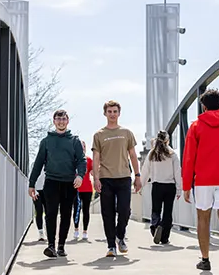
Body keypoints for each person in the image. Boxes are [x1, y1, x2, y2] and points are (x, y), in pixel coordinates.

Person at [182, 89, 219, 275]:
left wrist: (186, 185)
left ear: (204, 106)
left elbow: (189, 157)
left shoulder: (196, 126)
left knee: (203, 218)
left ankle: (205, 260)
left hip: (204, 180)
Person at [29, 109, 87, 258]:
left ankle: (61, 246)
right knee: (51, 214)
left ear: (67, 121)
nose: (61, 121)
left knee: (66, 215)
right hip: (51, 182)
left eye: (63, 119)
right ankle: (51, 246)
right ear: (54, 121)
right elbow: (38, 163)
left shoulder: (74, 141)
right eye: (58, 119)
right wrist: (32, 184)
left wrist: (80, 176)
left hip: (69, 183)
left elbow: (82, 160)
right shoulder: (46, 141)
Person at [92, 100, 142, 257]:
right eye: (109, 111)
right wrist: (96, 178)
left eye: (115, 111)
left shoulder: (126, 132)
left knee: (124, 210)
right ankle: (111, 245)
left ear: (119, 113)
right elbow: (96, 158)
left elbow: (133, 155)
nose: (112, 114)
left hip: (124, 177)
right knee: (107, 213)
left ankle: (120, 236)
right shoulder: (99, 134)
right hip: (106, 178)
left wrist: (138, 176)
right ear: (105, 113)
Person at [140, 130, 182, 244]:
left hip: (157, 185)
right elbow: (178, 172)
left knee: (156, 210)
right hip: (170, 187)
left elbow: (145, 170)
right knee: (168, 212)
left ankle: (155, 227)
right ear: (167, 140)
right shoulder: (172, 154)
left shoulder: (152, 153)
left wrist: (141, 185)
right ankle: (164, 237)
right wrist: (179, 189)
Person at [73, 141, 93, 240]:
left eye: (84, 146)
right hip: (76, 188)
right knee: (76, 209)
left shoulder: (89, 160)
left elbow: (93, 172)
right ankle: (76, 229)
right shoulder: (73, 160)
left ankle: (85, 231)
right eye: (81, 146)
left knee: (86, 210)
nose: (83, 148)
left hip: (87, 189)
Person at [33, 167, 46, 241]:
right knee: (39, 211)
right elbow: (30, 176)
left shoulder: (50, 162)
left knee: (49, 212)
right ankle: (41, 233)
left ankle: (48, 229)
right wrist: (34, 191)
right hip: (37, 190)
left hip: (47, 190)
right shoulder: (35, 164)